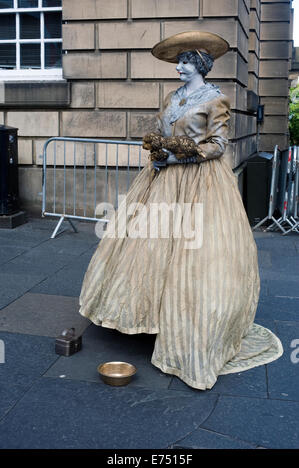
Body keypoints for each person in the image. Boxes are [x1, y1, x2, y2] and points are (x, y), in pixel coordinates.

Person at [79, 32, 283, 390]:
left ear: (200, 66)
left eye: (185, 63)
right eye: (178, 63)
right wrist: (158, 152)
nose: (179, 68)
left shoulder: (217, 99)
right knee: (148, 246)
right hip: (161, 181)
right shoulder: (172, 97)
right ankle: (150, 315)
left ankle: (188, 324)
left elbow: (218, 145)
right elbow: (160, 131)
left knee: (194, 253)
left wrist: (178, 156)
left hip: (199, 181)